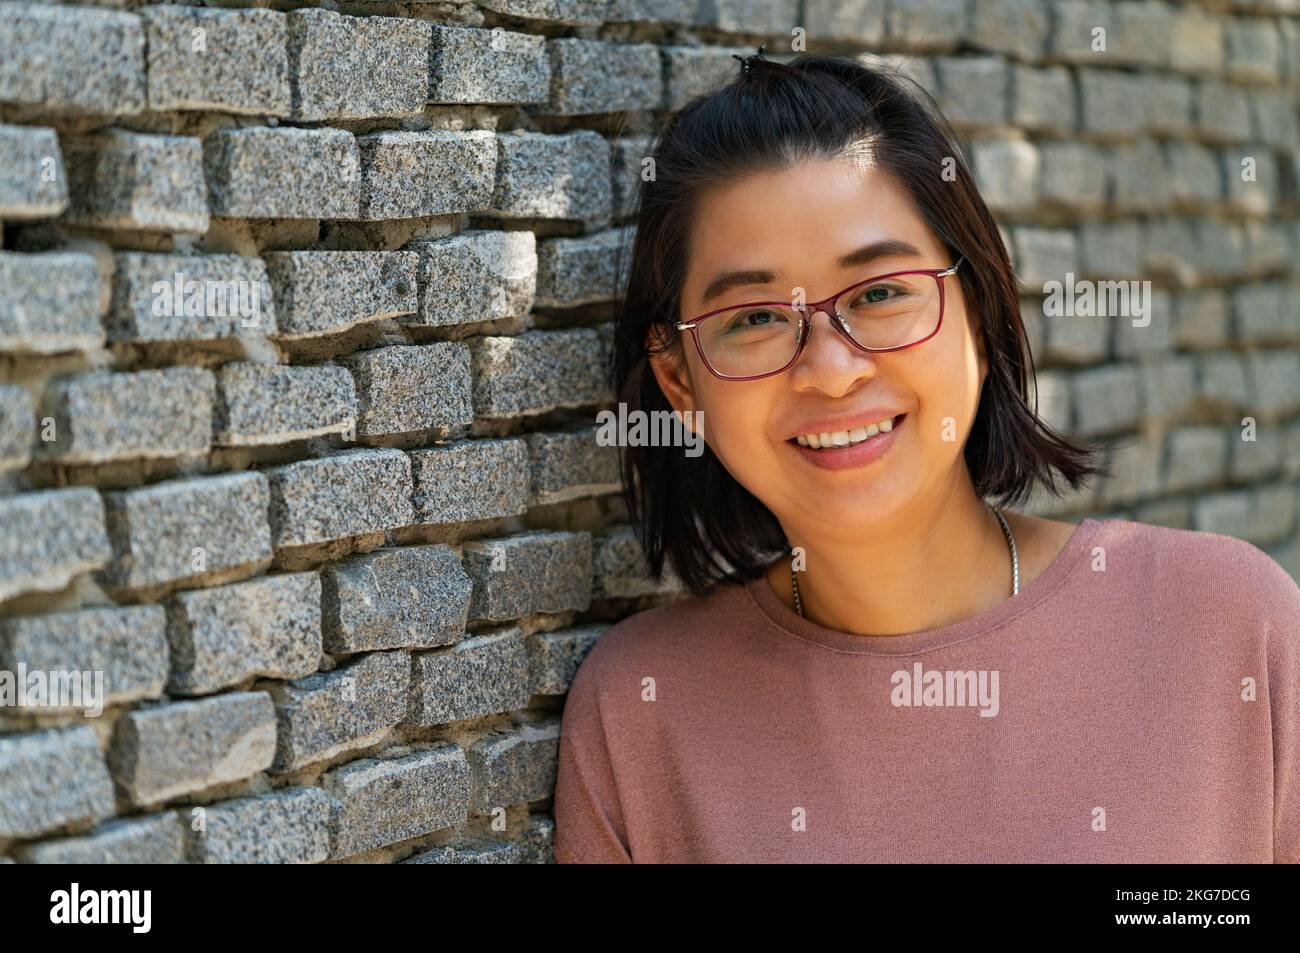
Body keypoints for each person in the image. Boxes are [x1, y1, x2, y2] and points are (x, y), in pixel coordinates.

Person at [552, 52, 1300, 863]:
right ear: (679, 381)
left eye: (879, 294)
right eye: (757, 317)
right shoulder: (642, 713)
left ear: (978, 309)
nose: (831, 372)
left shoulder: (1228, 627)